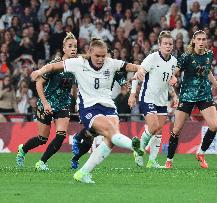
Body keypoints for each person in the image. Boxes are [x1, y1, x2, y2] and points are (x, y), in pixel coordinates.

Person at [30, 37, 145, 184]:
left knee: (111, 140)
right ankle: (133, 146)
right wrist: (39, 71)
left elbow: (134, 67)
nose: (101, 59)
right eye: (97, 55)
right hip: (89, 108)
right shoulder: (78, 63)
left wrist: (140, 69)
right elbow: (52, 67)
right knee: (111, 132)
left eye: (103, 56)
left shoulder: (111, 63)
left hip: (109, 107)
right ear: (90, 52)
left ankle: (83, 173)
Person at [164, 30, 217, 169]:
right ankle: (169, 160)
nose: (202, 42)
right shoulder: (187, 56)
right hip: (187, 96)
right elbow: (175, 71)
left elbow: (208, 71)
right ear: (194, 41)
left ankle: (201, 153)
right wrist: (173, 76)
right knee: (177, 129)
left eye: (204, 39)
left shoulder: (209, 54)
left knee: (214, 126)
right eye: (199, 39)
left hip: (204, 94)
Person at [16, 32, 77, 170]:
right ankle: (22, 150)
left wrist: (76, 100)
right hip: (47, 103)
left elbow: (73, 85)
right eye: (70, 46)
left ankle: (42, 162)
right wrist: (45, 103)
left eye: (75, 46)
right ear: (64, 49)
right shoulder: (54, 64)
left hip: (63, 104)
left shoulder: (76, 65)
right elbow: (38, 83)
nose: (73, 49)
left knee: (61, 136)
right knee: (42, 139)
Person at [128, 30, 178, 168]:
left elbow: (168, 81)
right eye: (165, 43)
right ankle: (138, 151)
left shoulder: (174, 61)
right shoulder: (152, 58)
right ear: (159, 45)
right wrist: (133, 94)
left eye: (170, 44)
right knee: (154, 126)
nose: (168, 46)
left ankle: (152, 161)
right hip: (147, 98)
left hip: (162, 100)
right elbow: (138, 73)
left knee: (159, 130)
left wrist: (174, 95)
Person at [71, 68, 129, 169]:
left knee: (93, 134)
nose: (103, 59)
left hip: (105, 103)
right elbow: (76, 86)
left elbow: (122, 81)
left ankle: (77, 150)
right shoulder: (87, 67)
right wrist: (77, 101)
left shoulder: (112, 68)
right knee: (94, 133)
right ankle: (77, 149)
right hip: (89, 104)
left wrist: (126, 85)